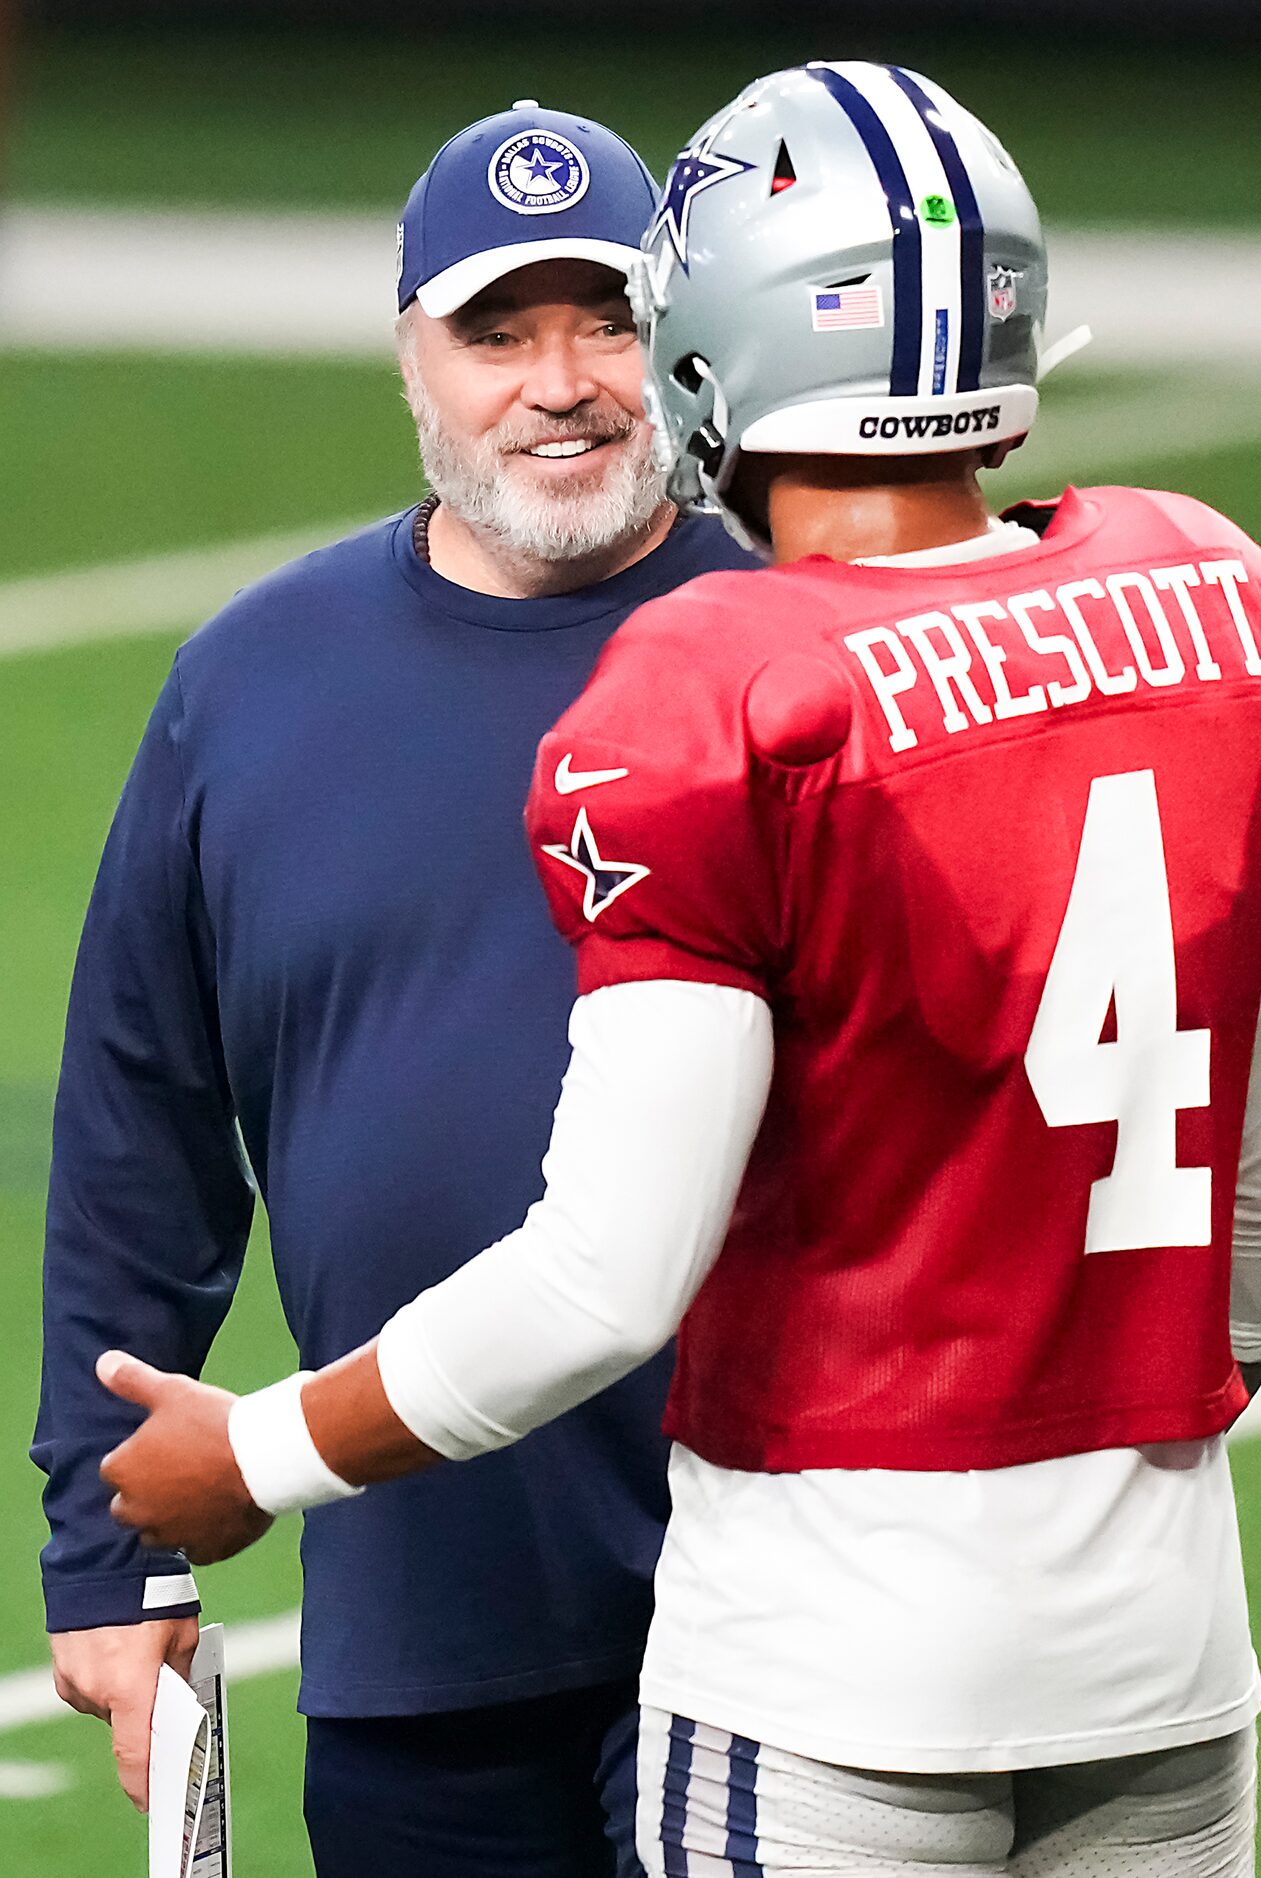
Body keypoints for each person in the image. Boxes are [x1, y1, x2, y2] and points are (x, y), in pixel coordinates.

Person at [95, 62, 1261, 1878]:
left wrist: (261, 1455)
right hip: (1166, 1660)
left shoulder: (715, 689)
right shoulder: (1230, 613)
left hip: (830, 1667)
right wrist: (1091, 1450)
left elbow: (605, 1278)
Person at [33, 101, 756, 1877]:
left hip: (776, 1627)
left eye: (605, 319)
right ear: (412, 360)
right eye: (498, 332)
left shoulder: (795, 640)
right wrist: (107, 1548)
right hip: (414, 1612)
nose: (562, 380)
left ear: (679, 342)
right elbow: (141, 1122)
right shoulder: (252, 682)